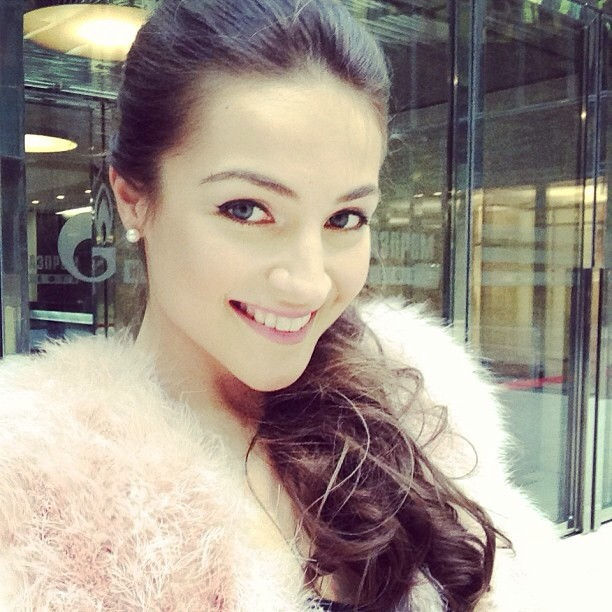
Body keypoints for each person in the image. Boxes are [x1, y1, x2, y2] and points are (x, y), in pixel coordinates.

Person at [0, 1, 572, 610]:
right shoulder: (32, 500)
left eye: (344, 218)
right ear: (133, 197)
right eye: (247, 209)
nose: (308, 283)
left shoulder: (419, 421)